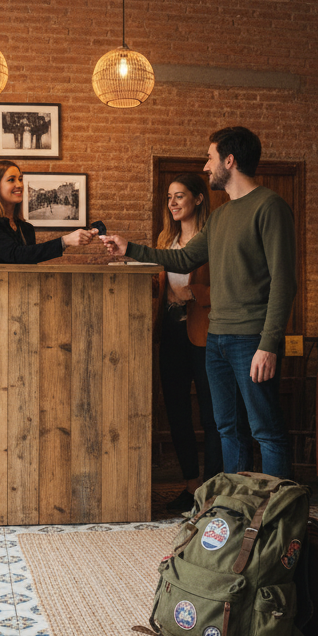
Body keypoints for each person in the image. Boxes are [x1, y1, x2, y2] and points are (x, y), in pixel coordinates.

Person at [103, 127, 296, 478]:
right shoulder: (220, 217)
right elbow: (182, 259)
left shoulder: (270, 207)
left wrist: (269, 344)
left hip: (252, 339)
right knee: (227, 430)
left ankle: (276, 517)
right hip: (217, 340)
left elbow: (284, 282)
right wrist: (129, 248)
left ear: (230, 160)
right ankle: (233, 512)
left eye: (210, 158)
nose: (206, 167)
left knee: (266, 431)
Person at [154, 173, 251, 512]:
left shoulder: (214, 237)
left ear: (197, 198)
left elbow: (230, 285)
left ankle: (211, 488)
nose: (173, 203)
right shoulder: (165, 239)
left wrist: (193, 292)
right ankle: (190, 484)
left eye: (179, 195)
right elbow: (161, 286)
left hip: (205, 330)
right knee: (177, 410)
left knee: (213, 414)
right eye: (169, 197)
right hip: (170, 330)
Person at [0, 160, 96, 264]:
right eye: (11, 180)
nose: (19, 184)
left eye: (20, 179)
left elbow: (29, 262)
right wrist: (65, 241)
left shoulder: (26, 228)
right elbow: (15, 255)